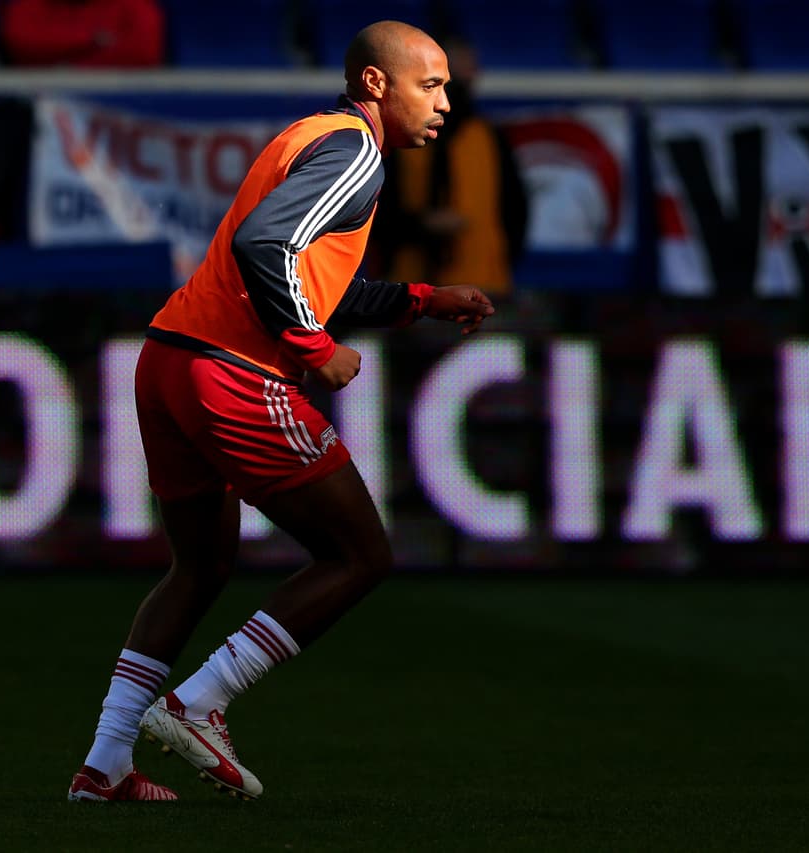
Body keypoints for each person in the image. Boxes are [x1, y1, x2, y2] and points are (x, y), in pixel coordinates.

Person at [66, 20, 494, 802]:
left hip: (168, 358)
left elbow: (311, 271)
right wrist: (310, 346)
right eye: (430, 84)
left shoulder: (314, 136)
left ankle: (105, 765)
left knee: (197, 566)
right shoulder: (357, 151)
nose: (445, 100)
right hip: (230, 371)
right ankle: (198, 702)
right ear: (375, 84)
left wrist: (424, 300)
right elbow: (266, 246)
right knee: (360, 554)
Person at [372, 36, 528, 296]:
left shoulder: (489, 138)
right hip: (408, 289)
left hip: (481, 285)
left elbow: (515, 209)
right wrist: (421, 224)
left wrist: (502, 261)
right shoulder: (399, 141)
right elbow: (377, 215)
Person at [1, 0, 164, 68]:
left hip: (120, 106)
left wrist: (76, 70)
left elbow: (144, 53)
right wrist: (90, 40)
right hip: (32, 104)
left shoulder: (132, 5)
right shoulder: (32, 5)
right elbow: (20, 41)